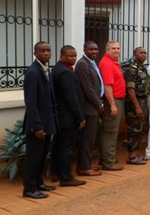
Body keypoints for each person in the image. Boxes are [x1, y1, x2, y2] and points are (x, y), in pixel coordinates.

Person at [22, 42, 58, 199]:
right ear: (35, 53)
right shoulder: (33, 72)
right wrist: (37, 126)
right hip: (37, 125)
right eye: (42, 50)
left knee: (42, 156)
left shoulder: (44, 69)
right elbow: (31, 102)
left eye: (48, 50)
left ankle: (38, 182)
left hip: (47, 122)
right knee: (33, 158)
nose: (46, 53)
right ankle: (29, 189)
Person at [50, 45, 87, 187]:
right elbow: (71, 98)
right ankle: (66, 177)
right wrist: (80, 117)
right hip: (68, 117)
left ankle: (56, 173)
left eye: (75, 55)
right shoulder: (65, 72)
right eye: (70, 56)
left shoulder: (58, 68)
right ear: (62, 56)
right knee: (66, 147)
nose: (73, 58)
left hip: (61, 116)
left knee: (58, 145)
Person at [74, 41, 104, 176]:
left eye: (96, 49)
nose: (94, 52)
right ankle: (84, 168)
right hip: (88, 107)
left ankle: (86, 163)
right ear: (84, 50)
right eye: (91, 49)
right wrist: (99, 104)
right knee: (87, 139)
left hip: (93, 107)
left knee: (91, 138)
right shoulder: (82, 64)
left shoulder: (91, 62)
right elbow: (87, 88)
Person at [98, 40, 126, 171]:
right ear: (107, 50)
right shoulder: (107, 63)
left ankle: (108, 157)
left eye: (118, 48)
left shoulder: (113, 62)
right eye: (113, 48)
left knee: (112, 131)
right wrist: (113, 105)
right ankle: (108, 162)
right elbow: (107, 86)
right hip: (113, 101)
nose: (116, 50)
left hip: (117, 99)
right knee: (110, 131)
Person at [124, 47, 150, 165]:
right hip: (135, 102)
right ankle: (132, 156)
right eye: (141, 53)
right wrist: (137, 106)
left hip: (143, 101)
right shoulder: (132, 69)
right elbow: (130, 89)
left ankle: (137, 153)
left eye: (145, 53)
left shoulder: (143, 68)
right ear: (135, 55)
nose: (144, 55)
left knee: (141, 128)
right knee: (134, 129)